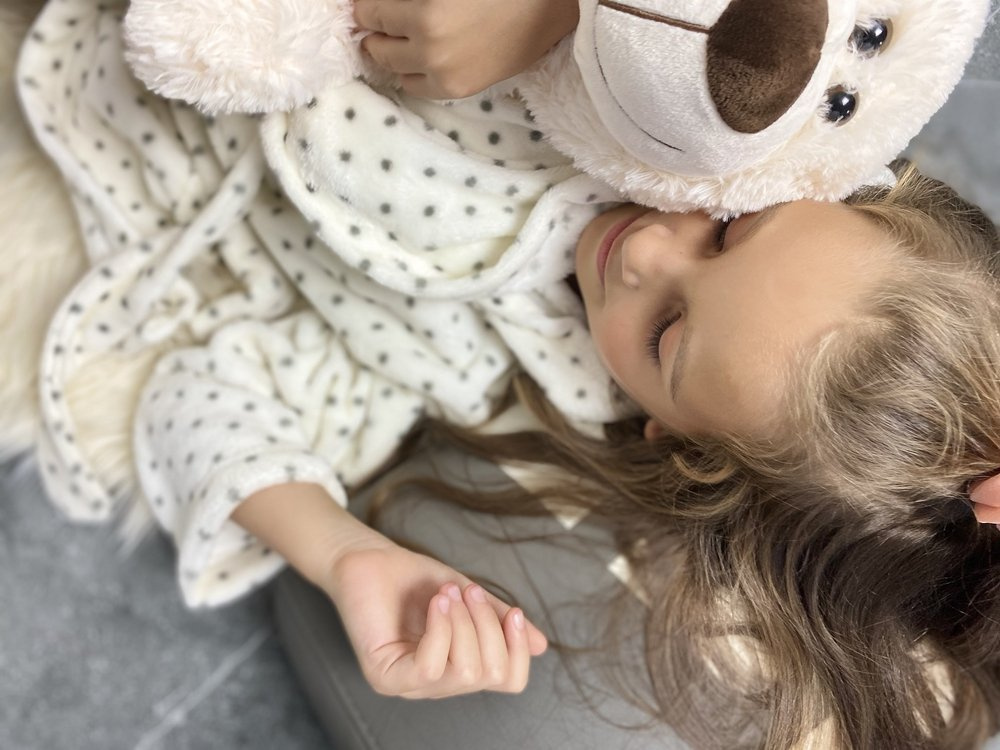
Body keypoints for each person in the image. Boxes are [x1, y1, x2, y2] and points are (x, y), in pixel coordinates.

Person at [17, 0, 1000, 747]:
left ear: (677, 438)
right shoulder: (705, 94)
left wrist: (343, 555)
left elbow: (198, 399)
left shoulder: (472, 361)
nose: (647, 247)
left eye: (666, 331)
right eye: (732, 228)